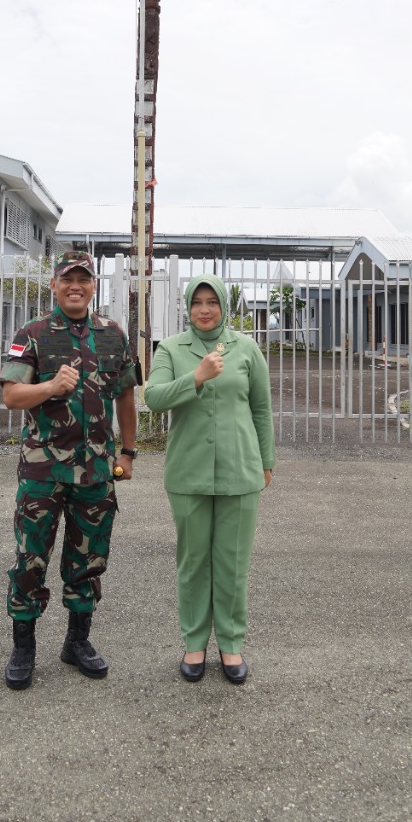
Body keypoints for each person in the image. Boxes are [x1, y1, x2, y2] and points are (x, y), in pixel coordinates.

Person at [0, 250, 138, 690]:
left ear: (94, 286)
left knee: (88, 560)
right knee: (30, 559)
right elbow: (11, 396)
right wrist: (51, 386)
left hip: (96, 471)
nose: (76, 285)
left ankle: (77, 642)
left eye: (84, 278)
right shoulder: (32, 334)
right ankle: (24, 647)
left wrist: (128, 453)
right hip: (43, 472)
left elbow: (126, 397)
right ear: (55, 285)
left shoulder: (113, 335)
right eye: (67, 279)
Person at [144, 274, 274, 684]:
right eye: (197, 301)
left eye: (212, 301)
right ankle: (194, 643)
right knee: (194, 561)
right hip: (188, 471)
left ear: (223, 305)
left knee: (232, 562)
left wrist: (266, 461)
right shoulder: (170, 348)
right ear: (187, 306)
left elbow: (261, 409)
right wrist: (196, 377)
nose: (204, 309)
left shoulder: (247, 348)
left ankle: (232, 645)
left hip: (241, 469)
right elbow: (152, 398)